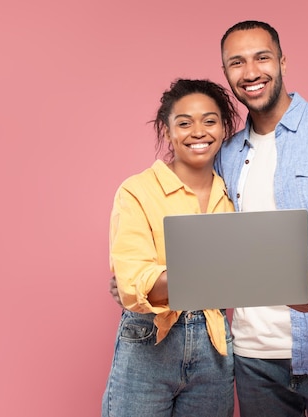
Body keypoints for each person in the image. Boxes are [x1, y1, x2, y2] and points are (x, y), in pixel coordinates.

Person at [110, 20, 308, 417]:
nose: (250, 72)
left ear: (282, 61)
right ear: (227, 73)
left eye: (261, 58)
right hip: (253, 361)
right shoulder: (224, 155)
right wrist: (144, 282)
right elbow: (202, 233)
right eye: (236, 63)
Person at [101, 78, 240, 417]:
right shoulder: (137, 191)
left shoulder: (233, 196)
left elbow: (245, 277)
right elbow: (134, 282)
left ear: (223, 129)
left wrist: (169, 278)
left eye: (209, 120)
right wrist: (220, 272)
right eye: (184, 122)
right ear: (167, 130)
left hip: (214, 344)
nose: (198, 131)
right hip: (150, 338)